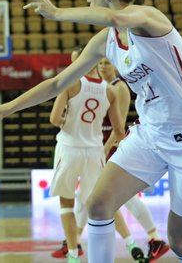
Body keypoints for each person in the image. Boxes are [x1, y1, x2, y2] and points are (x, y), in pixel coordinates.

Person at [0, 0, 182, 263]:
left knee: (179, 241)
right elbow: (58, 83)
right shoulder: (105, 42)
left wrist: (57, 13)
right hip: (150, 134)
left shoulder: (148, 17)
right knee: (98, 204)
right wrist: (8, 107)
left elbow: (115, 16)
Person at [47, 48, 143, 263]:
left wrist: (68, 122)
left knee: (66, 204)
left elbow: (54, 118)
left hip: (70, 147)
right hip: (94, 151)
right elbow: (119, 131)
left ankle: (72, 254)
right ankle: (130, 243)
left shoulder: (70, 83)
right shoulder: (110, 91)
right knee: (101, 204)